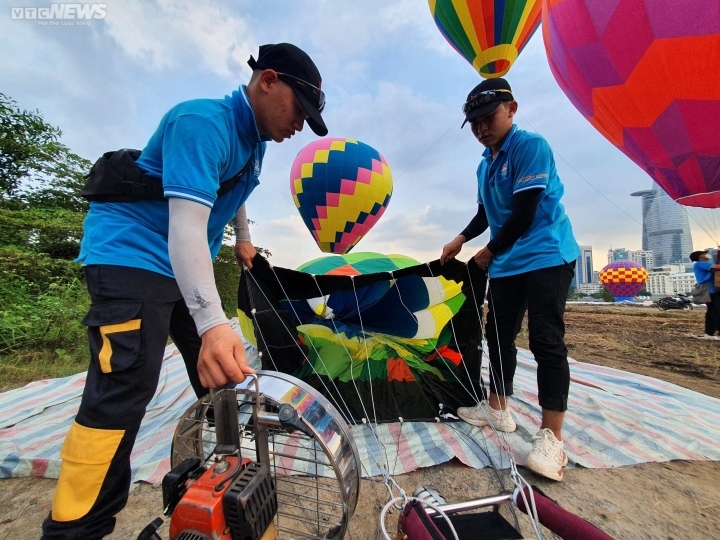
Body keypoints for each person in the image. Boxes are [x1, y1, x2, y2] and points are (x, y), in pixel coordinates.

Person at [41, 43, 328, 539]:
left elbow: (232, 194)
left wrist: (242, 239)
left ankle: (228, 483)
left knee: (221, 374)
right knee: (124, 387)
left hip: (178, 263)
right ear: (269, 81)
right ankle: (74, 530)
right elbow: (187, 228)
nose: (299, 125)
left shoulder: (254, 140)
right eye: (299, 110)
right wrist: (213, 321)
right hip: (131, 254)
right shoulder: (201, 122)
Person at [440, 77, 580, 482]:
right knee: (497, 334)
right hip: (507, 261)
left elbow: (524, 212)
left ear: (511, 109)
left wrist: (487, 252)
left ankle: (552, 438)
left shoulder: (530, 146)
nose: (482, 128)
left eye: (489, 118)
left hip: (545, 255)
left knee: (545, 340)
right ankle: (498, 409)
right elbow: (487, 213)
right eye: (475, 123)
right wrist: (461, 239)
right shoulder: (486, 162)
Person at [689, 250, 720, 339]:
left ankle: (711, 332)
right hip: (710, 291)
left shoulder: (703, 264)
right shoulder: (700, 264)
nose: (707, 255)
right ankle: (709, 333)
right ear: (700, 256)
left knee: (714, 311)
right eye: (704, 254)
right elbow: (717, 267)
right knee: (714, 311)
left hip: (713, 291)